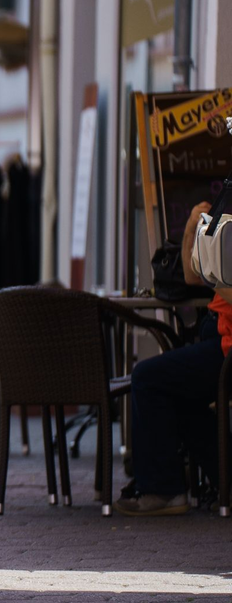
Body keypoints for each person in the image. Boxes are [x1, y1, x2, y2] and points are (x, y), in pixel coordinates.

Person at [115, 201, 229, 516]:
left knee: (148, 378)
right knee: (179, 392)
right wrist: (192, 226)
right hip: (219, 336)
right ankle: (226, 481)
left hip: (228, 346)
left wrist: (216, 272)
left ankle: (163, 490)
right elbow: (192, 277)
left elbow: (207, 277)